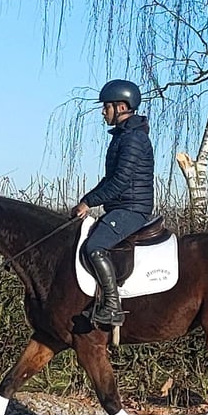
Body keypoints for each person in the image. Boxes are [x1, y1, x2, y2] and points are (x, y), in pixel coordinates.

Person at [71, 79, 155, 327]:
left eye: (106, 107)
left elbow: (119, 183)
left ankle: (111, 307)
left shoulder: (133, 140)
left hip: (132, 209)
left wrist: (89, 203)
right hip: (122, 206)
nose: (102, 111)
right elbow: (109, 179)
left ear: (120, 107)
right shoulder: (123, 137)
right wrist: (86, 200)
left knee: (94, 247)